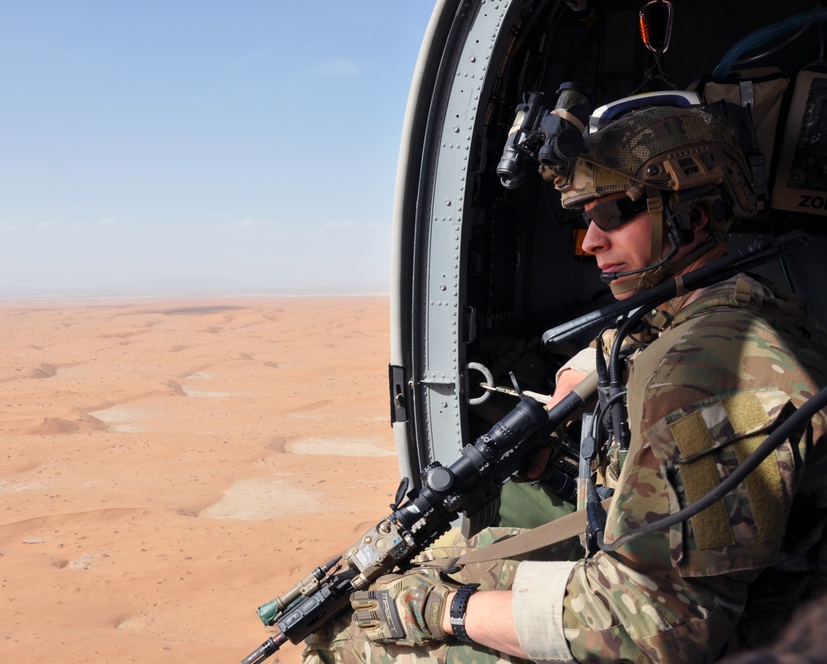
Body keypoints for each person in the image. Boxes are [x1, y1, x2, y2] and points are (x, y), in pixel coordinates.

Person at [302, 103, 827, 662]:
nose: (591, 241)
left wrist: (441, 611)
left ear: (694, 216)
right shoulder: (731, 303)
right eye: (585, 219)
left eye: (614, 213)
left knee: (351, 642)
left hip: (720, 634)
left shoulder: (707, 369)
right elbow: (626, 343)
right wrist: (559, 411)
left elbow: (652, 625)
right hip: (713, 595)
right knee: (447, 560)